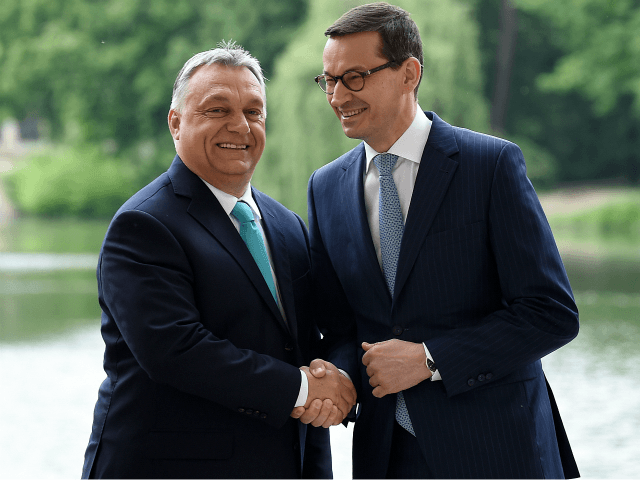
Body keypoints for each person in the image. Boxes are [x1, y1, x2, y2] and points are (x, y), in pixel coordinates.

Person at [306, 3, 580, 479]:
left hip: (499, 451)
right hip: (386, 456)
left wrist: (430, 360)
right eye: (328, 80)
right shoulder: (325, 187)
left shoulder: (489, 165)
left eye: (354, 77)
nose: (336, 95)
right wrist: (343, 376)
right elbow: (345, 327)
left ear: (408, 73)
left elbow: (551, 314)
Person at [81, 42, 356, 480]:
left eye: (253, 111)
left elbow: (318, 332)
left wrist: (338, 373)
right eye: (217, 110)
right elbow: (177, 351)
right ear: (176, 123)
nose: (240, 125)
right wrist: (304, 389)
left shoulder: (287, 225)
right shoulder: (144, 225)